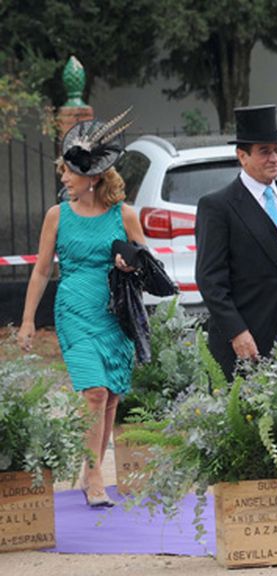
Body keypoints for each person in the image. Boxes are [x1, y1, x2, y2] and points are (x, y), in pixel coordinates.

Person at [17, 110, 143, 508]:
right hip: (74, 309)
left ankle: (91, 469)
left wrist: (131, 263)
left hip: (114, 312)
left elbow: (147, 265)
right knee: (94, 392)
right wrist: (27, 322)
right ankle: (94, 477)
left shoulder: (125, 215)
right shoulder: (58, 216)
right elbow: (39, 272)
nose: (64, 179)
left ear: (93, 177)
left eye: (69, 173)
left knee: (110, 398)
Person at [194, 105, 277, 379]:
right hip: (248, 335)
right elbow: (209, 278)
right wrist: (236, 331)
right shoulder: (218, 206)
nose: (274, 158)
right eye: (265, 151)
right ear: (242, 156)